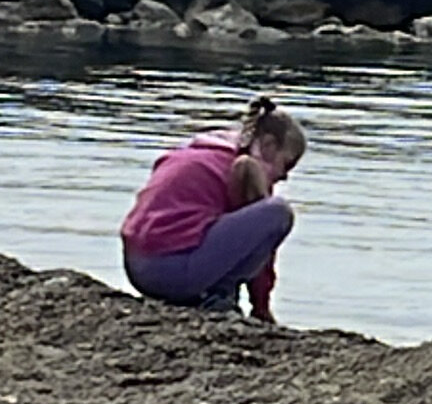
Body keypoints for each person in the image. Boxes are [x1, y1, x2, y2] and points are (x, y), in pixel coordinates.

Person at [121, 95, 305, 324]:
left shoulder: (200, 152)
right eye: (287, 164)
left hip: (137, 268)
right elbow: (262, 253)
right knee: (277, 213)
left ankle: (211, 294)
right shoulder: (245, 170)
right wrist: (261, 308)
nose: (285, 176)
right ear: (268, 146)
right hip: (172, 274)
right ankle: (214, 297)